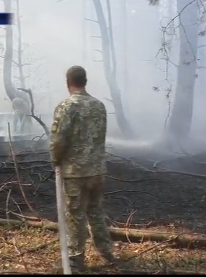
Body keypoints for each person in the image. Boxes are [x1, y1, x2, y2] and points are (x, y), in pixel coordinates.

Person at [50, 66, 116, 272]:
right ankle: (106, 252)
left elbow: (59, 139)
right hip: (96, 169)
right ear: (85, 81)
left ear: (68, 82)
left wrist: (55, 158)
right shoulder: (99, 106)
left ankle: (76, 259)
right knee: (96, 210)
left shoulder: (66, 106)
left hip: (75, 172)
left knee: (75, 215)